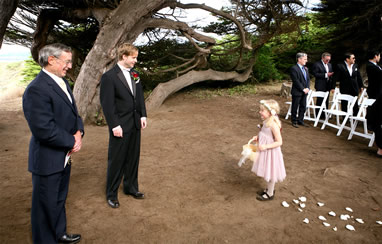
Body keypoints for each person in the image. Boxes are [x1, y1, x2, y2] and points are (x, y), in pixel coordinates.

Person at [23, 43, 84, 244]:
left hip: (63, 157)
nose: (69, 66)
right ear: (51, 60)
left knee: (58, 199)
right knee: (44, 205)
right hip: (47, 159)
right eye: (67, 62)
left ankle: (60, 233)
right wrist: (72, 141)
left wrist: (79, 131)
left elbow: (74, 112)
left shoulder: (62, 82)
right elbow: (43, 129)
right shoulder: (36, 89)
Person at [100, 43, 147, 209]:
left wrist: (143, 115)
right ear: (124, 56)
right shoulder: (109, 77)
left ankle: (131, 188)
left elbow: (139, 96)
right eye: (133, 57)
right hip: (120, 126)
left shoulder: (135, 74)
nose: (136, 60)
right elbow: (107, 104)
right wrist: (114, 125)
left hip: (135, 123)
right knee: (117, 160)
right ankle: (111, 194)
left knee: (133, 157)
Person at [251, 99, 286, 201]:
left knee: (271, 172)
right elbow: (264, 133)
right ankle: (268, 189)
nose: (259, 112)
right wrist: (257, 137)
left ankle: (270, 193)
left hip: (271, 153)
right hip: (265, 152)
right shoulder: (266, 121)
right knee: (268, 171)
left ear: (270, 113)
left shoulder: (273, 125)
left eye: (262, 110)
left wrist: (266, 147)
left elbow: (279, 142)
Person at [290, 52, 310, 128]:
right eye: (305, 59)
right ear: (299, 59)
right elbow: (296, 80)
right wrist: (302, 89)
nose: (306, 61)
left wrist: (308, 88)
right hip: (297, 91)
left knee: (303, 106)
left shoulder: (306, 68)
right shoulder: (294, 68)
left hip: (305, 91)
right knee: (295, 106)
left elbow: (308, 79)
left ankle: (300, 120)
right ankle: (294, 121)